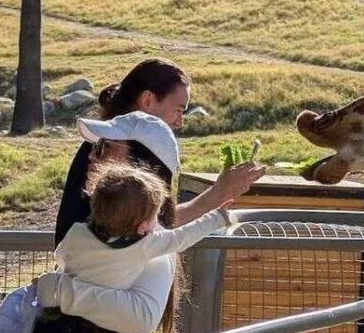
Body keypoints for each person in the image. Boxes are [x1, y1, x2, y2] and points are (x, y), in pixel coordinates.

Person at [0, 123, 232, 333]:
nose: (93, 157)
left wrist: (66, 285)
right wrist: (217, 217)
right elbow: (183, 237)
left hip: (60, 326)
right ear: (146, 222)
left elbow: (63, 256)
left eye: (106, 148)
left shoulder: (78, 232)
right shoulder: (148, 245)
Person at [55, 57, 263, 245]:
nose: (180, 122)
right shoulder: (117, 151)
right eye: (179, 109)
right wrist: (219, 194)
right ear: (148, 100)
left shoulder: (109, 145)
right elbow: (154, 229)